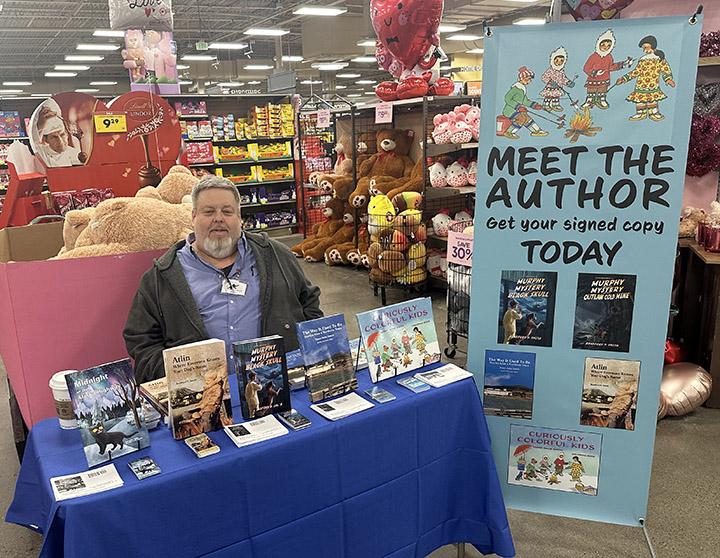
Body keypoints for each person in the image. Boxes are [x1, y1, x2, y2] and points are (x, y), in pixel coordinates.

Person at [123, 175, 323, 383]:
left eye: (227, 211)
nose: (218, 218)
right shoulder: (161, 276)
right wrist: (180, 376)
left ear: (239, 216)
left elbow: (309, 303)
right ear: (193, 216)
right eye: (208, 211)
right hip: (202, 402)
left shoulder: (276, 256)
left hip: (276, 388)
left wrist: (306, 355)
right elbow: (141, 341)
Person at [615, 35, 674, 122]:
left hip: (652, 85)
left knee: (652, 100)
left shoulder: (659, 58)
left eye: (645, 47)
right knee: (640, 100)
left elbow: (665, 69)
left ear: (652, 45)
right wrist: (623, 79)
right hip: (641, 86)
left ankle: (654, 113)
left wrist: (668, 79)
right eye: (643, 48)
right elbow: (636, 71)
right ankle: (640, 113)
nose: (644, 50)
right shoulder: (643, 59)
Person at [581, 29, 633, 110]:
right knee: (591, 90)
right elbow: (586, 68)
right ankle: (588, 101)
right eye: (603, 44)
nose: (606, 47)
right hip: (593, 79)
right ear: (599, 44)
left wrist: (625, 63)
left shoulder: (609, 57)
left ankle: (602, 100)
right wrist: (596, 73)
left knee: (602, 90)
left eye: (608, 45)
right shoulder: (593, 56)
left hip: (605, 79)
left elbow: (612, 67)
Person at [501, 66, 548, 139]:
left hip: (517, 110)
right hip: (510, 110)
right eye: (528, 79)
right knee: (522, 118)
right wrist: (517, 107)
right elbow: (507, 98)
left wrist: (534, 105)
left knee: (527, 117)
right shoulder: (516, 88)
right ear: (522, 78)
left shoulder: (522, 89)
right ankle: (509, 132)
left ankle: (536, 131)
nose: (529, 81)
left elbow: (525, 101)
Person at [34, 101, 84, 167]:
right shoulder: (40, 152)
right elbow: (33, 139)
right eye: (54, 137)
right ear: (46, 140)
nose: (60, 141)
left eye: (62, 135)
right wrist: (40, 126)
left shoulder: (76, 154)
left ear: (67, 134)